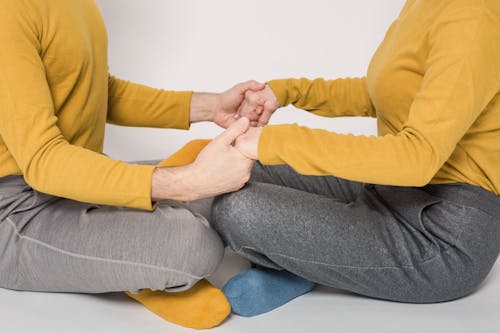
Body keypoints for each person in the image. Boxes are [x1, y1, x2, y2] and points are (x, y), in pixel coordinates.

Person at [212, 0, 500, 317]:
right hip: (390, 190)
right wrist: (287, 93)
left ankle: (302, 263)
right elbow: (383, 93)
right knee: (243, 170)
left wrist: (273, 141)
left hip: (441, 234)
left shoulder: (473, 17)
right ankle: (311, 263)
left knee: (236, 209)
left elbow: (417, 159)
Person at [0, 0, 263, 329]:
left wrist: (212, 107)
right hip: (16, 214)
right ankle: (134, 265)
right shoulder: (8, 12)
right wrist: (188, 182)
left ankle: (127, 259)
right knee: (194, 245)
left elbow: (101, 91)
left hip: (77, 181)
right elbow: (43, 161)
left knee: (238, 181)